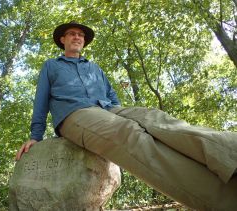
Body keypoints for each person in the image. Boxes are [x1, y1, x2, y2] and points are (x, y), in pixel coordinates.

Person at [16, 21, 237, 210]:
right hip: (76, 114)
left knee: (156, 119)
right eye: (73, 34)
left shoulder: (95, 69)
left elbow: (111, 94)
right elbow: (41, 100)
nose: (78, 37)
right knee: (129, 133)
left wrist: (120, 112)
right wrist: (36, 135)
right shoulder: (51, 66)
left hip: (108, 109)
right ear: (62, 39)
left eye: (81, 35)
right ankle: (227, 200)